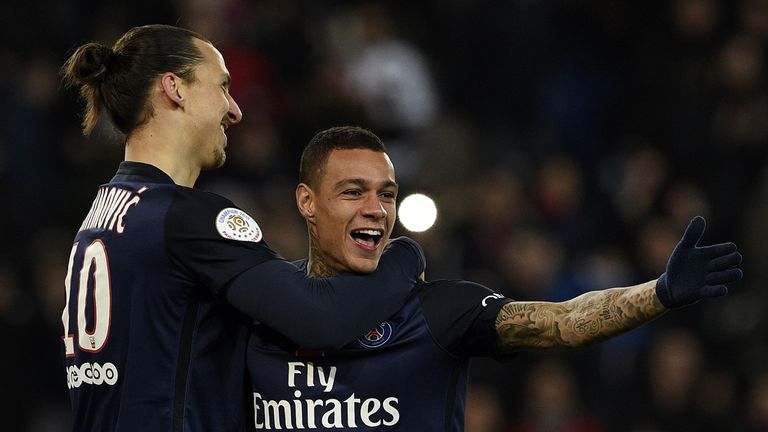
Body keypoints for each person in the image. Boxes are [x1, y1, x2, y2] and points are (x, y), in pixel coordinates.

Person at [246, 126, 743, 430]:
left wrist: (656, 292)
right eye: (354, 192)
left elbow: (563, 322)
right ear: (306, 202)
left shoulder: (439, 310)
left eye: (388, 194)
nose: (376, 209)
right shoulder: (260, 307)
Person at [59, 25, 425, 431]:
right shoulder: (184, 217)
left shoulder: (102, 213)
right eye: (222, 86)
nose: (235, 110)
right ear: (174, 88)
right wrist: (405, 256)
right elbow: (320, 319)